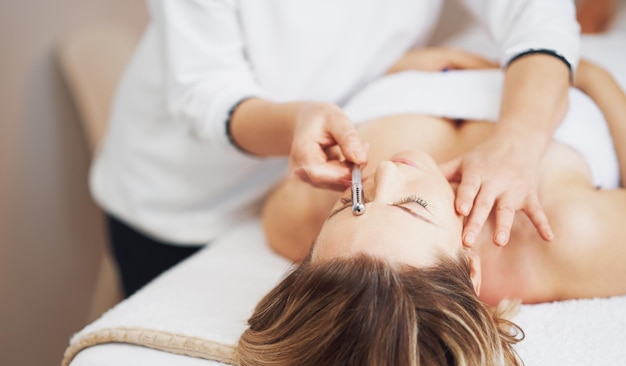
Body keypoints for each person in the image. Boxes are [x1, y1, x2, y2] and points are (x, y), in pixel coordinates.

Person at [91, 1, 579, 296]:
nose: (386, 172)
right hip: (181, 193)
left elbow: (537, 16)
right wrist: (295, 121)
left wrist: (519, 140)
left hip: (317, 149)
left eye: (356, 205)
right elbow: (204, 91)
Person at [237, 56, 626, 366]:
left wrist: (402, 71)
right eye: (411, 205)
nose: (385, 172)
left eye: (351, 204)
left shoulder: (297, 218)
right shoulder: (559, 237)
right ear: (470, 270)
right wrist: (588, 75)